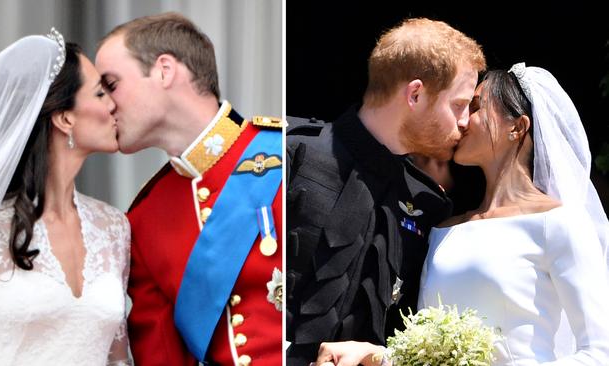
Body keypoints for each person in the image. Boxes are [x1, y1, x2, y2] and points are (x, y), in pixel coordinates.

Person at [314, 64, 609, 365]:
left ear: (517, 127)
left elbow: (600, 353)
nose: (463, 120)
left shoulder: (558, 224)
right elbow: (428, 354)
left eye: (477, 107)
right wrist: (374, 354)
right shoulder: (444, 230)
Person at [286, 17, 486, 365]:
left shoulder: (430, 205)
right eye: (459, 105)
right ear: (416, 94)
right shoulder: (291, 155)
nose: (467, 120)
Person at [95, 12, 283, 365]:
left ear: (164, 70)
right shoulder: (144, 219)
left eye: (112, 84)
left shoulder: (285, 157)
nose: (105, 105)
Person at [0, 29, 131, 365]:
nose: (113, 105)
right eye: (99, 94)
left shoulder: (114, 227)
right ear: (65, 118)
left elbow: (118, 358)